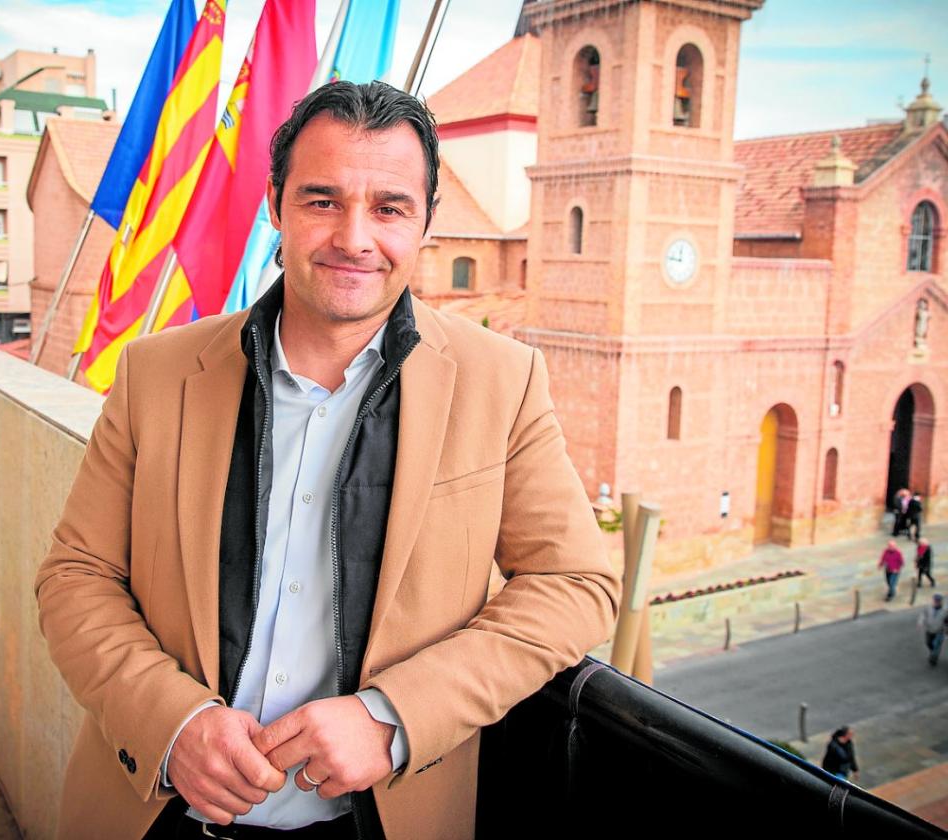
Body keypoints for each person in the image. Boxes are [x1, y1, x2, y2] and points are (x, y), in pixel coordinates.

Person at [35, 81, 620, 840]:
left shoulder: (501, 382)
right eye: (322, 201)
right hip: (158, 813)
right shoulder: (155, 375)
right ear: (276, 206)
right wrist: (170, 722)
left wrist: (395, 716)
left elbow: (575, 583)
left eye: (389, 207)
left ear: (426, 223)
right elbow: (75, 577)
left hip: (376, 825)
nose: (354, 237)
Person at [919, 593, 947, 666]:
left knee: (937, 645)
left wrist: (946, 629)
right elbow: (923, 615)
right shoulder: (928, 608)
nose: (936, 602)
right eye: (935, 601)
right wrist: (921, 622)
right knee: (928, 642)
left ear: (941, 602)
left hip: (940, 631)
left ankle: (933, 658)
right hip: (929, 629)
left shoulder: (945, 610)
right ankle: (933, 653)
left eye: (938, 601)